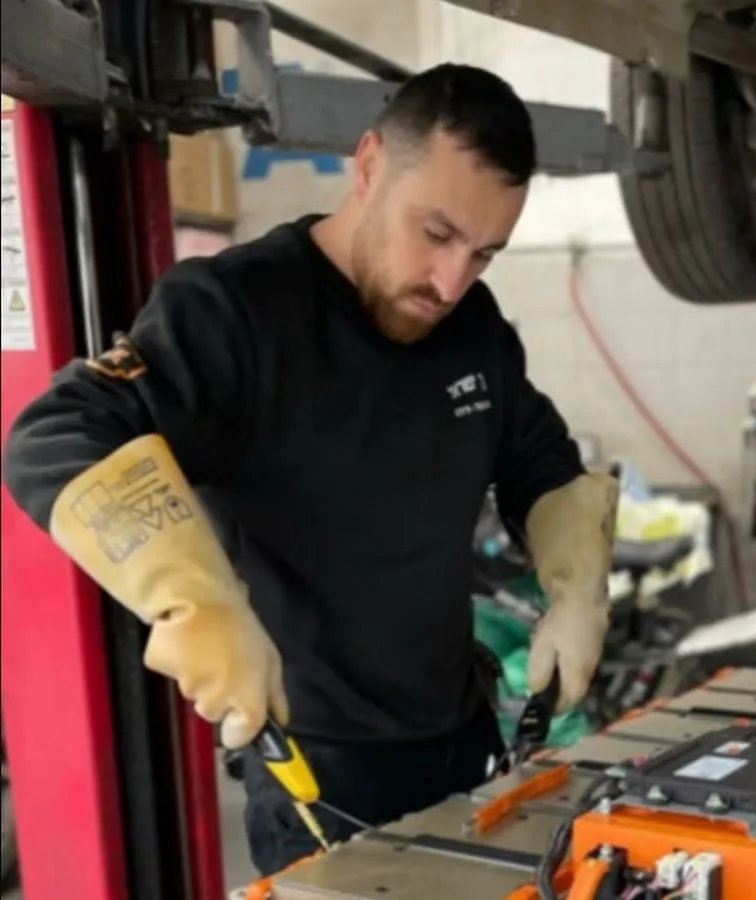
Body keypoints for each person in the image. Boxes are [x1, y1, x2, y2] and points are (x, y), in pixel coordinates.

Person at [0, 63, 618, 875]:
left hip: (463, 737)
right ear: (368, 165)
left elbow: (541, 460)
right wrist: (194, 599)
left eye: (483, 254)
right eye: (436, 234)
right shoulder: (236, 311)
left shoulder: (471, 324)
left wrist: (578, 594)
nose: (451, 282)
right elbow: (57, 434)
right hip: (319, 773)